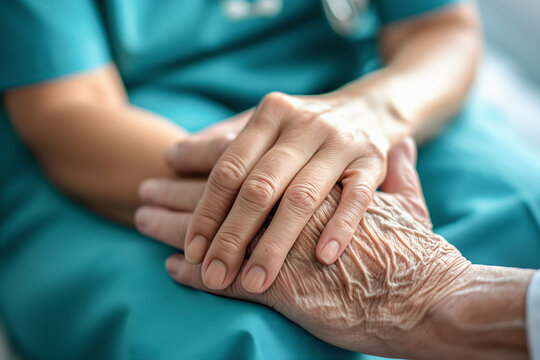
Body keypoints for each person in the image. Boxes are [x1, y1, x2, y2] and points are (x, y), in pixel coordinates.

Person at [0, 0, 538, 359]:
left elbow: (437, 25)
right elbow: (66, 111)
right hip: (131, 136)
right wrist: (273, 201)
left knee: (518, 217)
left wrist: (369, 114)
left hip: (374, 97)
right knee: (233, 335)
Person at [143, 137, 539, 359]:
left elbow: (438, 27)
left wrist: (359, 110)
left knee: (523, 205)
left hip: (389, 104)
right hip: (164, 123)